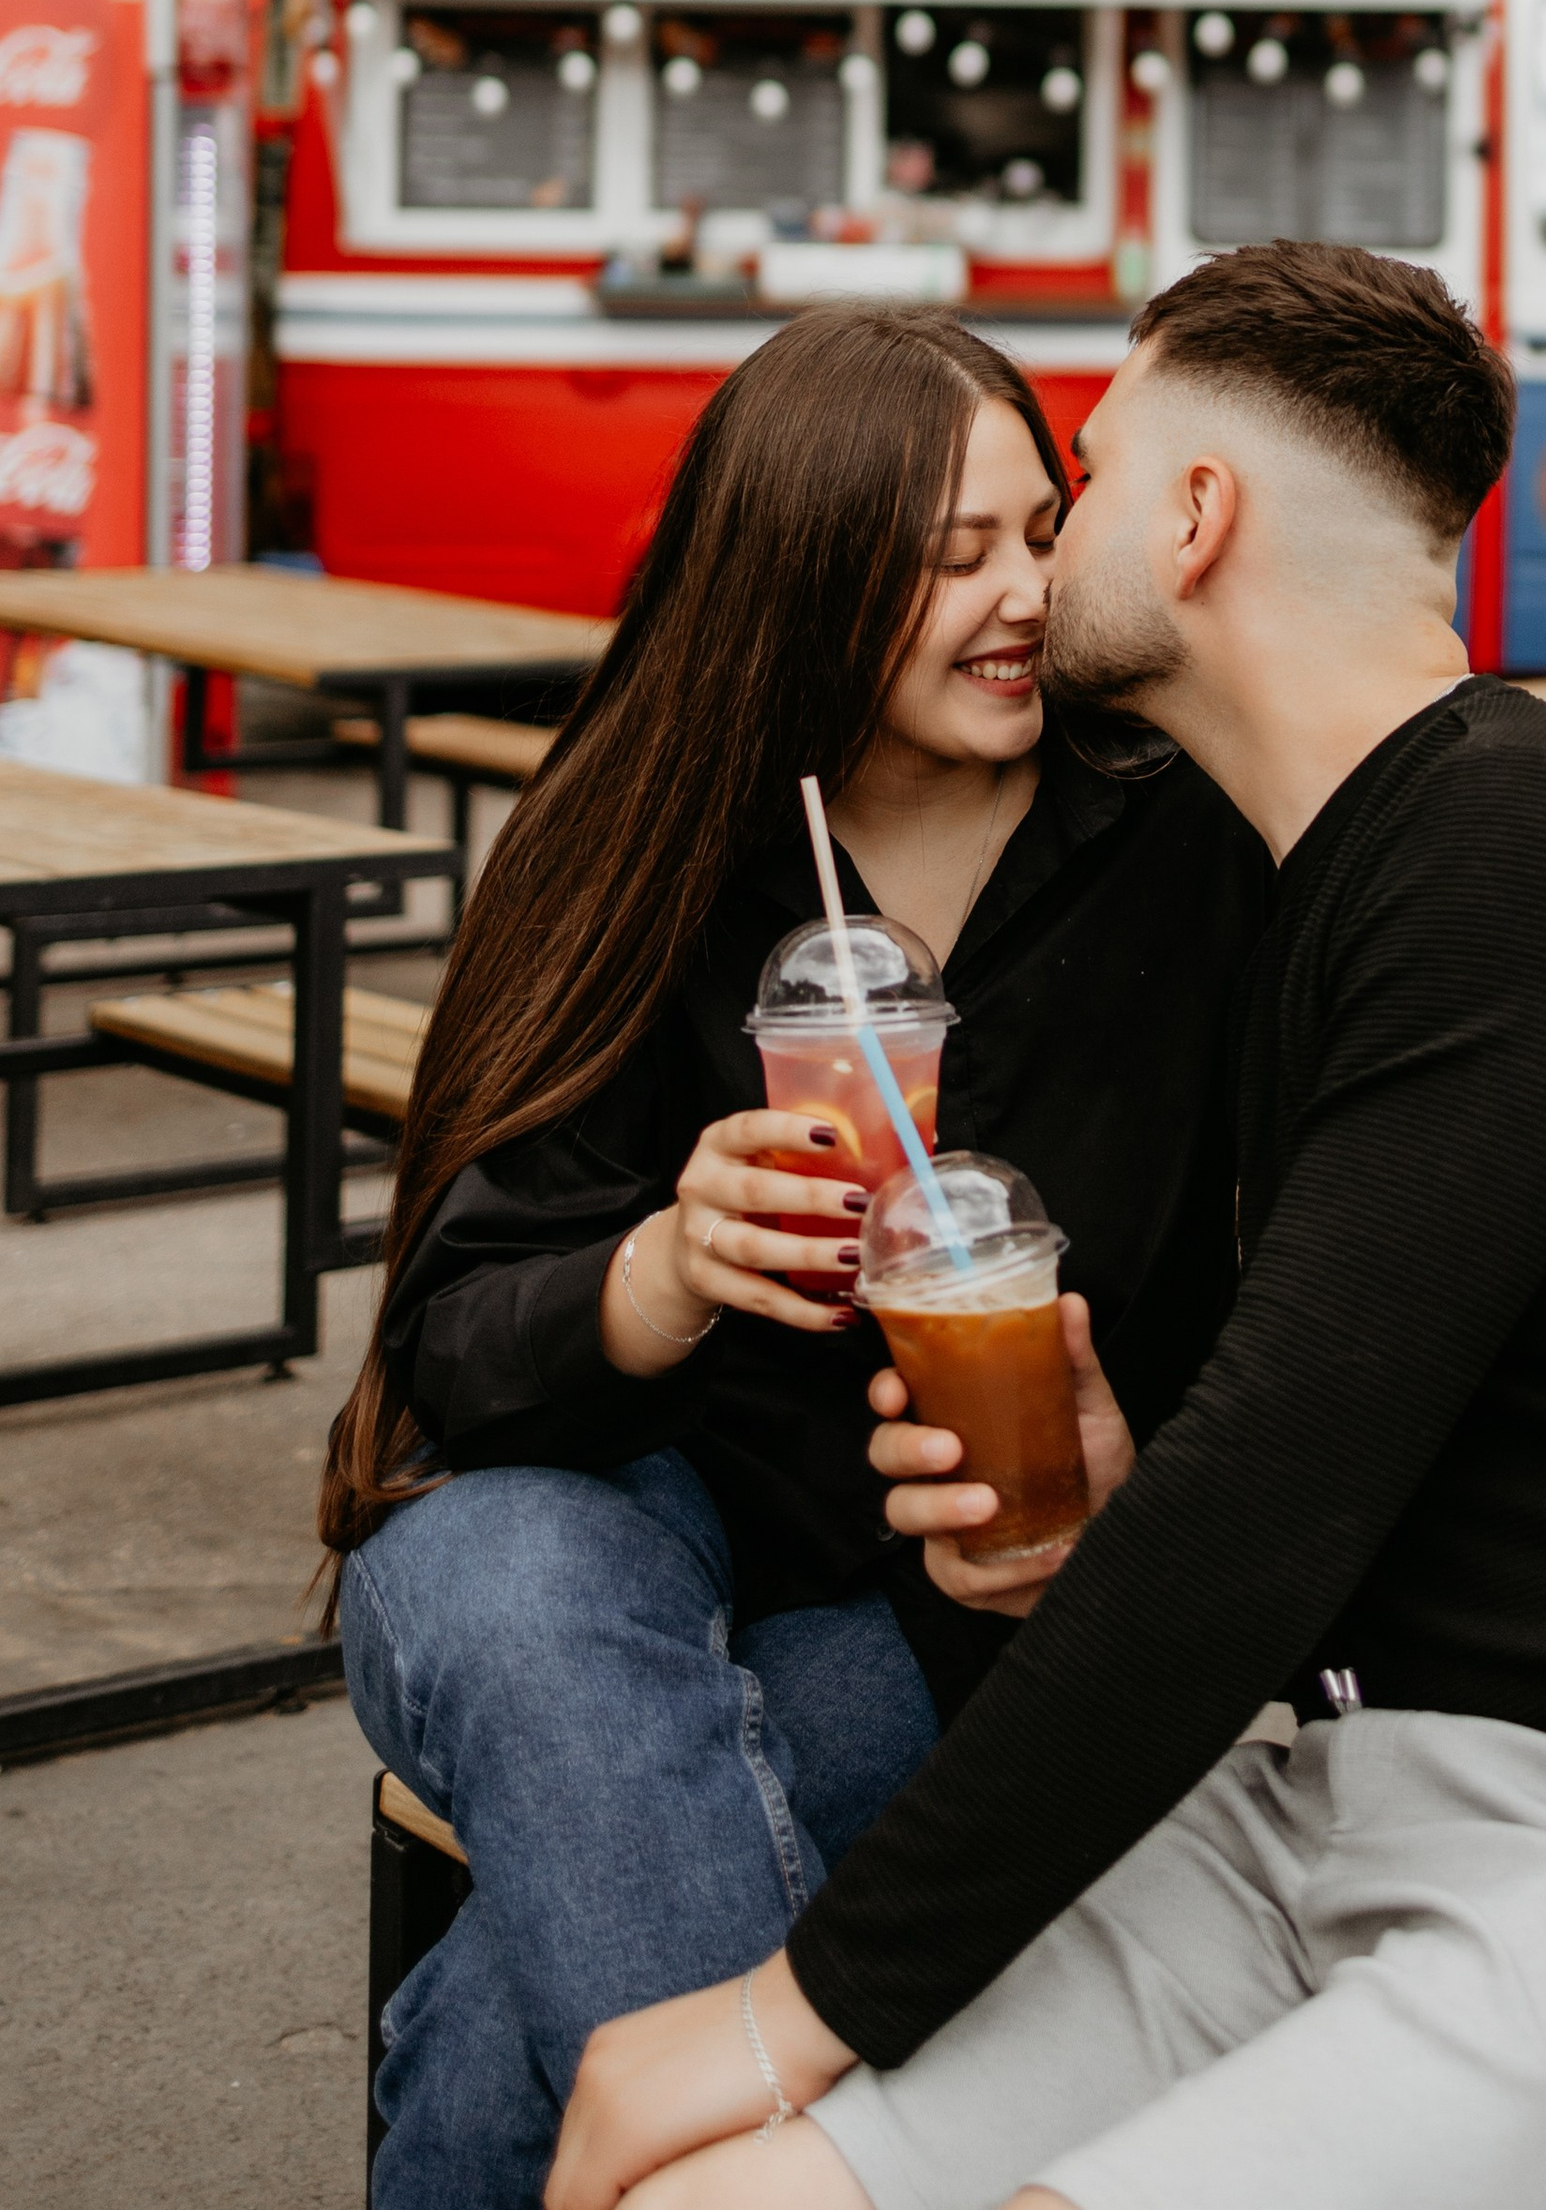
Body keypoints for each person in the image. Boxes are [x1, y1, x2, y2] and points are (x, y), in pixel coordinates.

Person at [542, 239, 1546, 2210]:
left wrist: (785, 2006)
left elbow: (1274, 1500)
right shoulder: (1312, 895)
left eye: (1083, 476)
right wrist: (1124, 1486)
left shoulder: (1538, 830)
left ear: (1192, 517)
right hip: (1362, 1805)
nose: (1045, 550)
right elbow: (1365, 1453)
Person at [322, 306, 1271, 2210]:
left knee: (518, 1991)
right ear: (803, 581)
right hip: (581, 1534)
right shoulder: (640, 838)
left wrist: (1113, 1496)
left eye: (1040, 529)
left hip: (919, 1607)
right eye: (950, 561)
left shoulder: (1185, 844)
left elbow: (1269, 1303)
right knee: (523, 1591)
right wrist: (666, 1265)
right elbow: (452, 1349)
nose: (1024, 595)